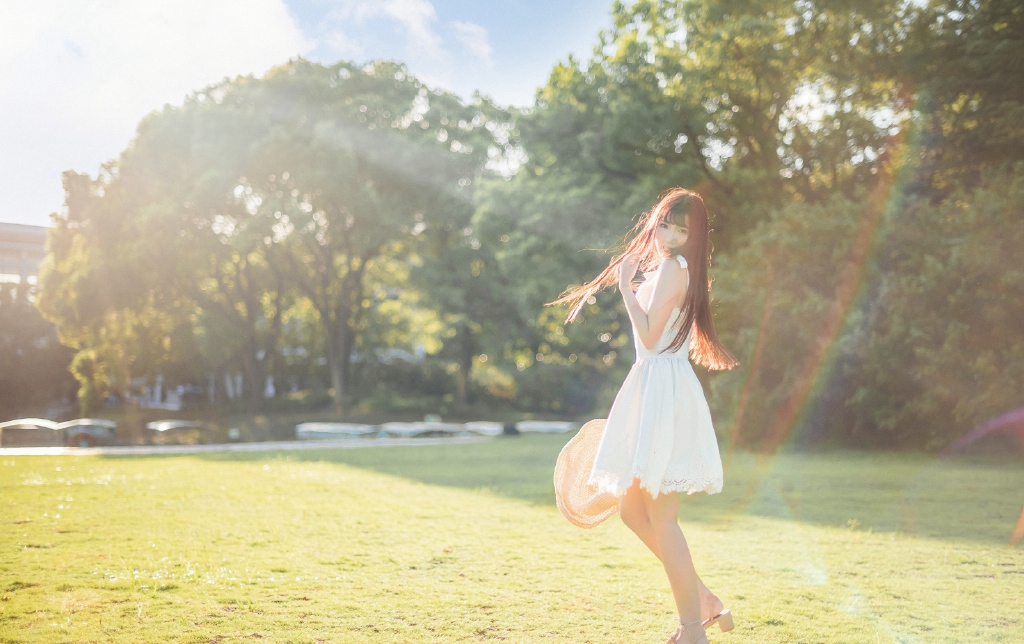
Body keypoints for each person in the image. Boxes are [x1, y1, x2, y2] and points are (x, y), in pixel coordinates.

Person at [552, 188, 738, 644]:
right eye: (665, 224)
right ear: (655, 222)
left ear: (693, 236)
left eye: (681, 229)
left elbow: (652, 337)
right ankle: (707, 603)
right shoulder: (668, 269)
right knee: (634, 511)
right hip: (654, 387)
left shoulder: (676, 268)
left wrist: (624, 292)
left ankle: (693, 629)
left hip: (662, 389)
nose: (670, 235)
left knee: (662, 516)